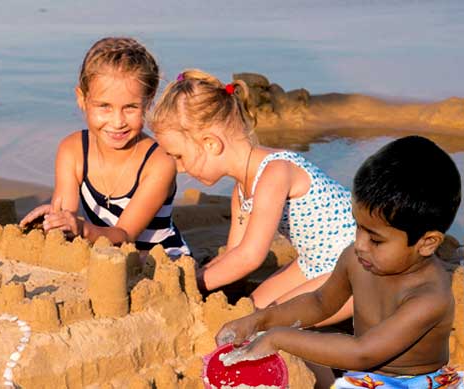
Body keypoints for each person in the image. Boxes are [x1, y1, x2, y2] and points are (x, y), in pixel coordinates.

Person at [215, 135, 462, 388]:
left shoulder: (429, 297)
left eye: (376, 240)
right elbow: (320, 302)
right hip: (366, 375)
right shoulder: (357, 259)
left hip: (412, 382)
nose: (361, 244)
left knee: (289, 341)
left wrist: (278, 337)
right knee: (298, 352)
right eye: (359, 227)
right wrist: (262, 320)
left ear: (427, 242)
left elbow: (363, 352)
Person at [148, 69, 355, 317]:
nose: (178, 167)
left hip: (358, 266)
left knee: (270, 320)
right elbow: (235, 254)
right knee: (253, 308)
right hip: (314, 264)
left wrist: (191, 283)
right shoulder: (241, 192)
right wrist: (198, 275)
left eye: (179, 156)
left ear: (211, 143)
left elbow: (251, 256)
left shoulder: (275, 172)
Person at [18, 37, 189, 257]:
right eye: (104, 106)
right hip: (103, 259)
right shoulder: (73, 150)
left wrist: (81, 228)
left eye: (130, 107)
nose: (117, 122)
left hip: (162, 263)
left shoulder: (159, 162)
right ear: (82, 99)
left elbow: (125, 235)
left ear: (148, 102)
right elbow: (67, 215)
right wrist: (56, 221)